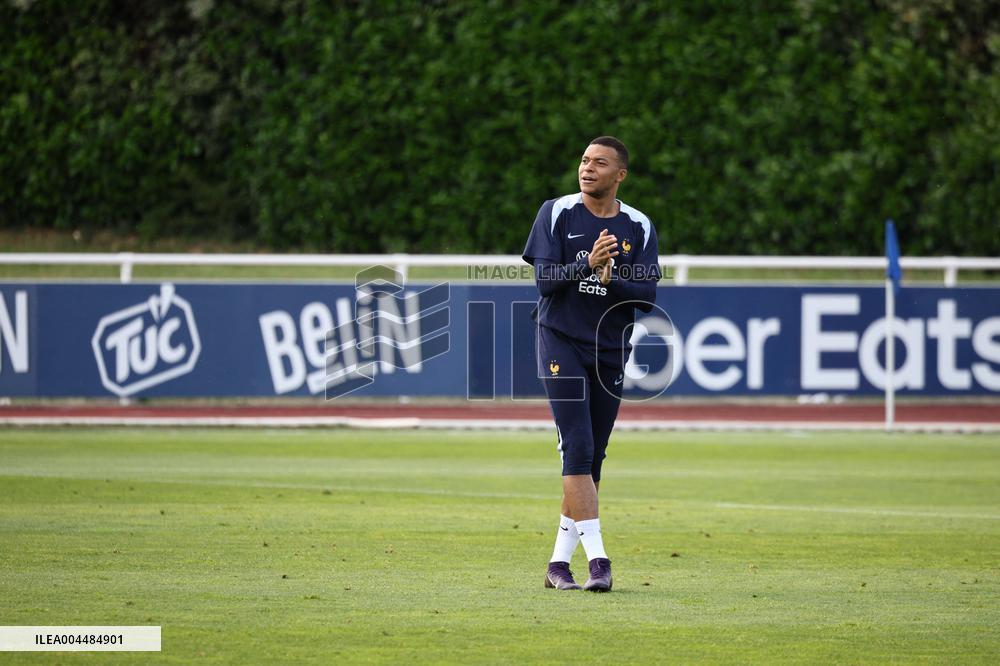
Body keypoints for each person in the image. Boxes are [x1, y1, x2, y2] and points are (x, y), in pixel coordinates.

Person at [521, 136, 660, 592]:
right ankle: (599, 562)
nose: (587, 168)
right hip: (559, 341)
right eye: (584, 160)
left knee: (592, 457)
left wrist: (611, 277)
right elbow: (545, 283)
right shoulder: (556, 212)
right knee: (577, 448)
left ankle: (557, 565)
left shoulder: (638, 225)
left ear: (620, 175)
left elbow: (646, 298)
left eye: (599, 162)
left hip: (609, 350)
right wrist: (587, 265)